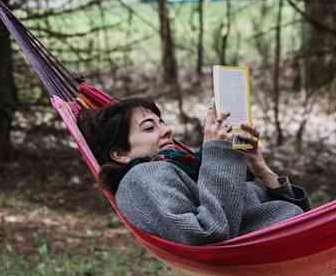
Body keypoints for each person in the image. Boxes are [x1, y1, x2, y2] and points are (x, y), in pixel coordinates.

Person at [78, 97, 309, 245]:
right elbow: (208, 232)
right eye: (149, 128)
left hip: (304, 243)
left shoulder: (189, 167)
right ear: (120, 154)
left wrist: (261, 169)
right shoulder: (142, 178)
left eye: (161, 122)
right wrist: (217, 151)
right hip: (285, 251)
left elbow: (302, 214)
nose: (167, 130)